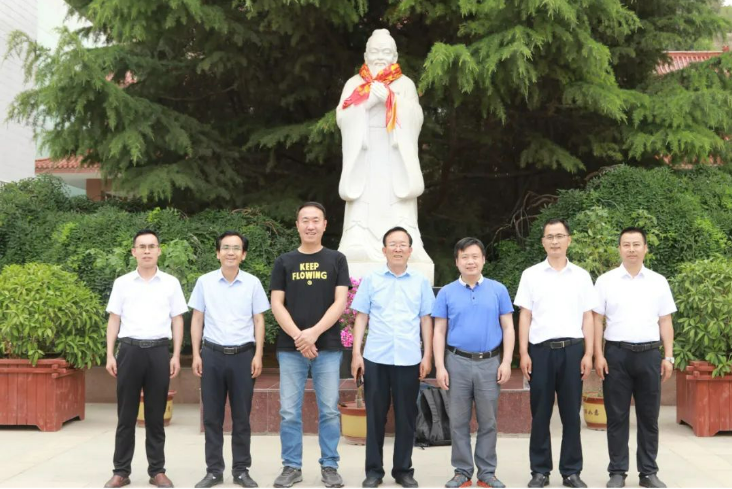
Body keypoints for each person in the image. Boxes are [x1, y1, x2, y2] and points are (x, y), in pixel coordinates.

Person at [270, 202, 350, 488]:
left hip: (327, 346)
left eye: (316, 220)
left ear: (325, 225)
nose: (310, 225)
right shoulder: (284, 261)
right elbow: (276, 304)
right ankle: (291, 466)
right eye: (305, 220)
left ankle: (330, 465)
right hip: (290, 348)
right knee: (289, 411)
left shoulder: (336, 259)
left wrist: (313, 333)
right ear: (297, 225)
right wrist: (299, 337)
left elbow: (340, 302)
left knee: (329, 410)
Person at [336, 28, 430, 265]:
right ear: (366, 55)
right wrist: (367, 103)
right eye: (375, 51)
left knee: (398, 204)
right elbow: (343, 117)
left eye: (386, 52)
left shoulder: (405, 85)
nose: (380, 57)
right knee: (362, 201)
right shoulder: (354, 84)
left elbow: (416, 118)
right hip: (365, 154)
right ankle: (356, 241)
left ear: (395, 57)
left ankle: (405, 244)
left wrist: (391, 99)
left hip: (395, 155)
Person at [350, 226, 435, 489]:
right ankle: (374, 471)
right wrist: (356, 353)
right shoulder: (372, 279)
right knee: (375, 417)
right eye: (393, 244)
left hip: (409, 359)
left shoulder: (420, 281)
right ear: (384, 249)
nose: (398, 249)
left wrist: (427, 355)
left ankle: (403, 470)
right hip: (376, 358)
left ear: (410, 250)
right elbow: (361, 316)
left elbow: (426, 319)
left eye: (402, 244)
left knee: (406, 417)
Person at [514, 218, 596, 489]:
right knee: (540, 413)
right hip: (541, 352)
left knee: (571, 414)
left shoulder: (581, 276)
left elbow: (588, 317)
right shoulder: (531, 275)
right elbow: (525, 315)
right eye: (550, 237)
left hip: (572, 351)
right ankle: (540, 471)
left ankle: (571, 471)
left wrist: (588, 354)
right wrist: (523, 352)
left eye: (560, 236)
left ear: (569, 240)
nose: (555, 241)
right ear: (543, 242)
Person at [103, 229, 187, 489]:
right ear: (134, 252)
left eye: (152, 246)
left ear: (159, 250)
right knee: (125, 415)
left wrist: (176, 354)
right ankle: (121, 471)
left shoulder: (171, 283)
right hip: (129, 352)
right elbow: (114, 319)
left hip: (159, 352)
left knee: (155, 415)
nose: (147, 251)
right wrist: (110, 353)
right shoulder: (122, 283)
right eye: (142, 247)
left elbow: (177, 320)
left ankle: (157, 471)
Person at [593, 227, 676, 489]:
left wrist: (669, 356)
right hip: (616, 356)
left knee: (649, 417)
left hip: (649, 355)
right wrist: (598, 354)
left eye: (636, 244)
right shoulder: (605, 281)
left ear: (645, 248)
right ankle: (617, 471)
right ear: (619, 248)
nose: (631, 249)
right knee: (616, 416)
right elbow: (596, 320)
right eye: (626, 244)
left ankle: (648, 472)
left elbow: (665, 320)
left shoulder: (658, 281)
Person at [189, 231, 270, 488]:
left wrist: (258, 354)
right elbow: (197, 319)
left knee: (241, 417)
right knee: (211, 417)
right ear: (217, 253)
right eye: (225, 247)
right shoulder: (204, 282)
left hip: (243, 356)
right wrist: (196, 354)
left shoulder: (253, 283)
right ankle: (214, 471)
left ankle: (241, 471)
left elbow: (259, 320)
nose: (230, 252)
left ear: (243, 255)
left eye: (236, 248)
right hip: (211, 355)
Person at [432, 237, 515, 489]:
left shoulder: (498, 290)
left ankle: (487, 472)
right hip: (456, 361)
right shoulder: (446, 292)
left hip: (489, 363)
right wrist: (440, 366)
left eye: (475, 256)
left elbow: (508, 327)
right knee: (458, 421)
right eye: (465, 257)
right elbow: (439, 331)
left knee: (488, 421)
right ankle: (462, 471)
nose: (470, 261)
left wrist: (506, 361)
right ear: (457, 262)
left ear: (484, 260)